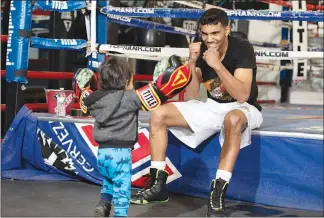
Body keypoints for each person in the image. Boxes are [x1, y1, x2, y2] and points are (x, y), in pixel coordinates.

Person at [130, 8, 263, 217]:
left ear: (227, 30)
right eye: (205, 34)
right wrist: (191, 63)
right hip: (212, 106)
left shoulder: (242, 48)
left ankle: (217, 193)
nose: (210, 40)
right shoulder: (202, 49)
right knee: (158, 114)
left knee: (233, 119)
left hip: (244, 108)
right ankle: (158, 186)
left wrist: (218, 66)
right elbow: (192, 94)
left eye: (215, 33)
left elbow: (242, 95)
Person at [83, 55, 191, 217]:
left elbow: (84, 97)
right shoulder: (130, 98)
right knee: (122, 187)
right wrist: (176, 73)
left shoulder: (95, 100)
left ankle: (104, 204)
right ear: (126, 82)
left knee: (109, 180)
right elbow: (157, 94)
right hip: (120, 154)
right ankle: (120, 214)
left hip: (102, 153)